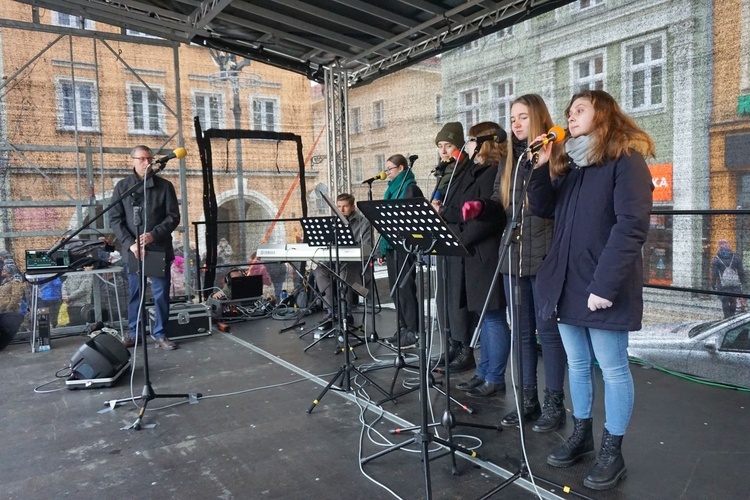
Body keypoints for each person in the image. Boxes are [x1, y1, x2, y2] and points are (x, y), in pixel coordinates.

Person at [527, 90, 654, 491]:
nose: (571, 115)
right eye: (569, 111)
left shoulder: (626, 160)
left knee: (613, 369)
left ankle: (611, 451)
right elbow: (542, 208)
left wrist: (604, 285)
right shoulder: (574, 164)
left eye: (579, 109)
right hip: (566, 283)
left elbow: (631, 225)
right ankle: (581, 435)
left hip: (602, 284)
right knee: (577, 365)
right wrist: (542, 168)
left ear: (604, 113)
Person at [464, 94, 568, 429]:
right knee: (521, 334)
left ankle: (554, 405)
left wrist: (540, 165)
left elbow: (549, 206)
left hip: (545, 256)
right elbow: (500, 203)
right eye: (512, 119)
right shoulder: (511, 160)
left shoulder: (558, 157)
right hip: (512, 258)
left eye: (523, 117)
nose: (517, 124)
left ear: (538, 119)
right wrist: (482, 208)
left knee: (548, 334)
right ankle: (527, 402)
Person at [440, 121, 511, 397]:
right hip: (470, 253)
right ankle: (483, 372)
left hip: (485, 252)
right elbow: (459, 208)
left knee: (493, 317)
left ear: (484, 142)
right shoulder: (471, 170)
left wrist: (461, 239)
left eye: (471, 140)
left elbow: (489, 216)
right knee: (483, 316)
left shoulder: (495, 171)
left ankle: (495, 376)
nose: (467, 144)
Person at [110, 145, 181, 351]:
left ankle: (160, 333)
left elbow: (173, 217)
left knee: (160, 293)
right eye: (141, 159)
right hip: (133, 250)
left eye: (149, 158)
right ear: (132, 160)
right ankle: (135, 333)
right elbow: (115, 218)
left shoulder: (165, 186)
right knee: (135, 293)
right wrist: (130, 243)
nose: (146, 162)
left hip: (158, 248)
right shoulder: (123, 187)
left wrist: (153, 235)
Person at [431, 122, 477, 372]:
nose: (444, 150)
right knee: (444, 297)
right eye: (440, 146)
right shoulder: (443, 173)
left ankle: (464, 349)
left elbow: (465, 206)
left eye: (448, 145)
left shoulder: (466, 172)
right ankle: (450, 343)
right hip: (444, 242)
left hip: (460, 240)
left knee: (459, 299)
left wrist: (443, 211)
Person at [376, 154, 424, 349]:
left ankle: (413, 330)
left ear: (402, 169)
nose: (387, 172)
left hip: (405, 246)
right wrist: (381, 250)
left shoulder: (409, 188)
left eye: (390, 169)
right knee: (396, 290)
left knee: (406, 289)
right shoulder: (391, 190)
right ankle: (403, 327)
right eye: (386, 169)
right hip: (392, 246)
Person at [314, 193, 372, 325]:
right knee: (319, 271)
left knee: (343, 271)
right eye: (338, 206)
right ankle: (331, 311)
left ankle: (345, 313)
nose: (341, 210)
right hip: (336, 261)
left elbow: (367, 248)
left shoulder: (364, 223)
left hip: (355, 264)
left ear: (352, 206)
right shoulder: (333, 222)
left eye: (345, 206)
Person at [711, 239, 745, 318]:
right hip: (734, 283)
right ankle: (732, 317)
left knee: (724, 301)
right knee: (733, 300)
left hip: (722, 283)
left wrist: (713, 284)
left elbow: (714, 273)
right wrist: (742, 281)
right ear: (728, 245)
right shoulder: (735, 257)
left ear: (719, 246)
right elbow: (741, 271)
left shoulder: (716, 259)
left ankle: (726, 317)